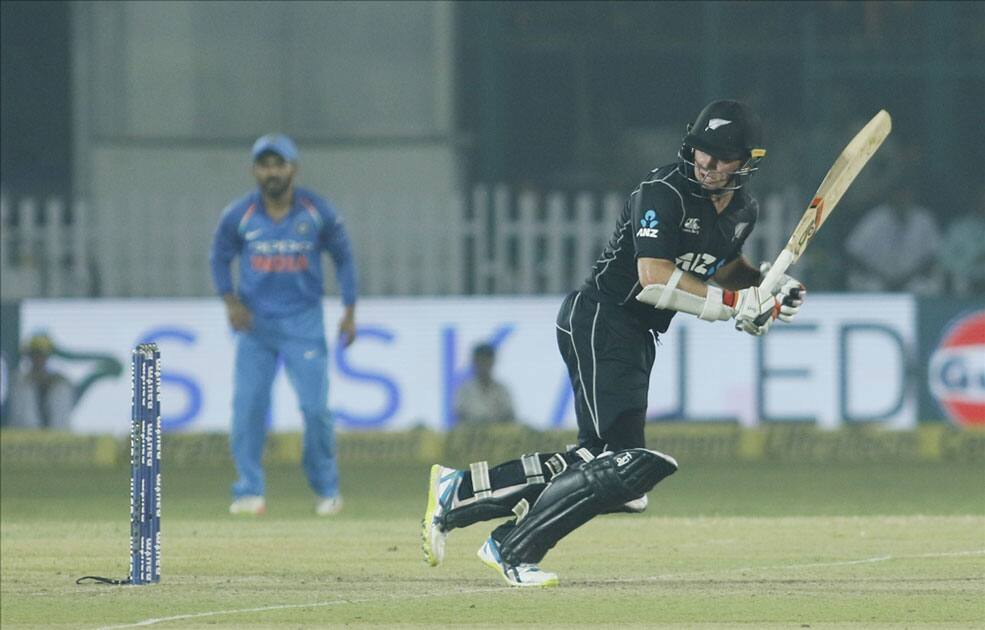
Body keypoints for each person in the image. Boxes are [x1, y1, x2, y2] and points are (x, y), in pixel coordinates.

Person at [420, 100, 805, 587]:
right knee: (615, 463)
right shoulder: (662, 191)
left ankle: (465, 497)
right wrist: (736, 304)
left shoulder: (742, 210)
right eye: (702, 150)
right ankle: (511, 546)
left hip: (637, 334)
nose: (707, 162)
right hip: (603, 315)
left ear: (746, 161)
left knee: (619, 479)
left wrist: (770, 288)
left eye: (721, 154)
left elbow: (723, 266)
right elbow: (653, 277)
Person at [209, 133, 358, 517]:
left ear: (293, 168)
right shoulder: (239, 214)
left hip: (303, 322)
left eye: (279, 164)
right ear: (255, 170)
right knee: (248, 409)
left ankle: (327, 489)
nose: (272, 172)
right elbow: (218, 257)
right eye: (264, 165)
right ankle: (248, 491)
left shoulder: (316, 211)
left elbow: (344, 259)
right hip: (255, 325)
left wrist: (350, 309)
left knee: (315, 410)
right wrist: (230, 302)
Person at [845, 183, 942, 294]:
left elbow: (933, 256)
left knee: (926, 287)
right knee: (870, 286)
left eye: (906, 196)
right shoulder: (875, 219)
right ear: (891, 198)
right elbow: (853, 253)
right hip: (877, 279)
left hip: (913, 280)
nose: (902, 200)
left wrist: (905, 278)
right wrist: (882, 277)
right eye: (898, 196)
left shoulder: (924, 219)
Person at [8, 334, 75, 429]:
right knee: (23, 386)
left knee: (62, 388)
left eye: (42, 354)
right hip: (24, 432)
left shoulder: (58, 380)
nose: (38, 358)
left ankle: (59, 432)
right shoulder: (20, 379)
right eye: (35, 353)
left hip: (55, 432)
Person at [938, 186, 985, 296]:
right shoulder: (959, 228)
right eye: (982, 200)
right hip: (963, 285)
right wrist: (970, 267)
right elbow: (944, 260)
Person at [453, 343, 516, 425]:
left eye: (486, 361)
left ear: (492, 362)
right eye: (480, 361)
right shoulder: (464, 390)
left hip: (498, 434)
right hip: (471, 435)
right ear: (474, 363)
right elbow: (459, 416)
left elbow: (510, 416)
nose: (483, 366)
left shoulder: (502, 390)